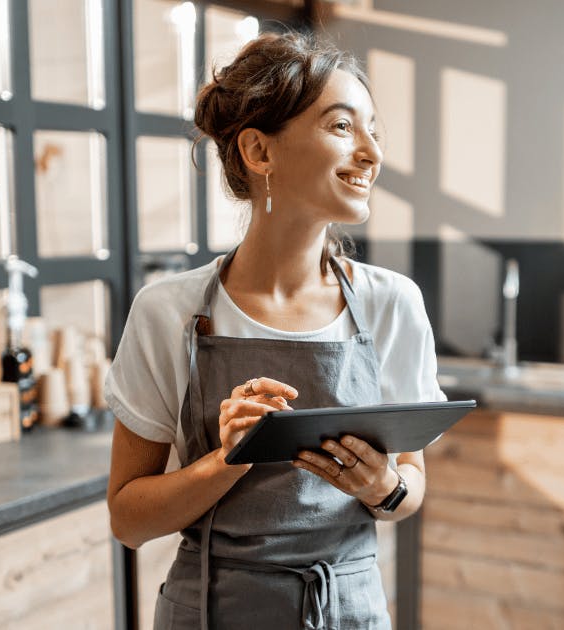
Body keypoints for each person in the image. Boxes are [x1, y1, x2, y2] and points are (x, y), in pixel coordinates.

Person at [104, 31, 444, 630]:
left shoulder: (393, 304)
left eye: (373, 131)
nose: (371, 152)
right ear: (259, 152)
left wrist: (381, 485)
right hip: (210, 612)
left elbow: (409, 489)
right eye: (342, 127)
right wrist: (227, 460)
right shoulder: (167, 311)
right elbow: (129, 520)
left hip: (349, 612)